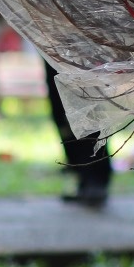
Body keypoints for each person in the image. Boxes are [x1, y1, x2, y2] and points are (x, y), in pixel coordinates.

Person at [45, 61, 112, 208]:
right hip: (52, 44)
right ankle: (82, 176)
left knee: (89, 106)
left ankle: (96, 178)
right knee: (61, 109)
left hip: (82, 48)